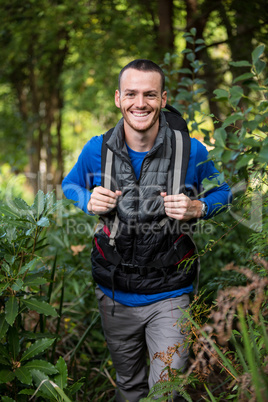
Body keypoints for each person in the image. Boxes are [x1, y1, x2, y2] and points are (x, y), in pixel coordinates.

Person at [62, 59, 232, 401]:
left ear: (164, 98)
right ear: (118, 98)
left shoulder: (191, 150)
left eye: (150, 94)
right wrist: (88, 200)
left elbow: (224, 193)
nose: (140, 103)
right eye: (132, 94)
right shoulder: (97, 149)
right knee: (129, 385)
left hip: (171, 293)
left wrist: (199, 207)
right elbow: (70, 185)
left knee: (165, 391)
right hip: (114, 291)